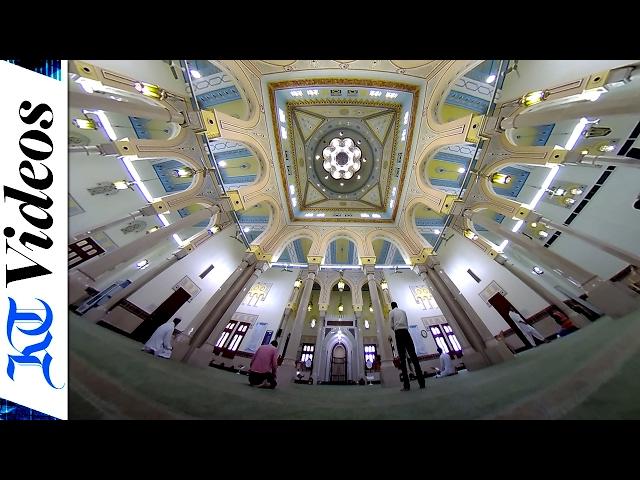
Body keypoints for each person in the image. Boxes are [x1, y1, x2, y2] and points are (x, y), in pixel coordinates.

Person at [389, 301, 425, 391]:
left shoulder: (392, 312)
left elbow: (391, 325)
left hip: (398, 333)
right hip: (406, 332)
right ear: (397, 305)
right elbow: (407, 323)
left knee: (402, 359)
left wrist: (396, 330)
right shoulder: (403, 311)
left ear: (391, 307)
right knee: (413, 356)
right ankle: (422, 382)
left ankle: (406, 385)